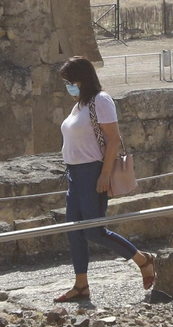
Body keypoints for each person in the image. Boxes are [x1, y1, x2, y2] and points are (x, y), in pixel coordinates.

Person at [53, 56, 155, 303]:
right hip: (75, 174)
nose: (68, 86)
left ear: (83, 79)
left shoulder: (101, 100)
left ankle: (143, 260)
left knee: (94, 231)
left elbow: (114, 139)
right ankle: (81, 285)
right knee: (74, 231)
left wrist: (105, 174)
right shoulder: (79, 105)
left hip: (92, 172)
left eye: (71, 81)